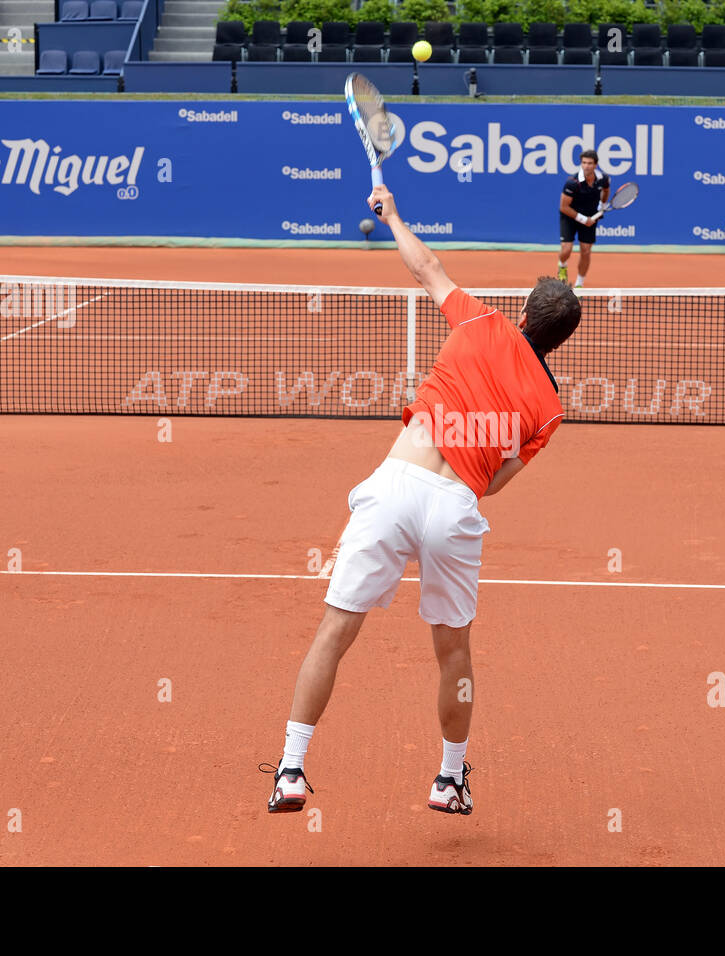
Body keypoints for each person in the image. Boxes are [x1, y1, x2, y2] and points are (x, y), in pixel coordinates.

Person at [261, 182, 582, 817]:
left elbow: (426, 265)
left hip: (393, 487)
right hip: (455, 507)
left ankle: (292, 770)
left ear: (521, 313)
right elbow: (491, 483)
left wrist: (393, 215)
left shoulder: (480, 318)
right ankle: (448, 780)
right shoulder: (549, 411)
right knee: (454, 650)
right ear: (558, 341)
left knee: (336, 629)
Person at [558, 149, 609, 289]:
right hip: (570, 216)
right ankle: (562, 265)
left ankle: (579, 284)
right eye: (584, 163)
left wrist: (602, 204)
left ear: (596, 165)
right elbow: (563, 207)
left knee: (586, 251)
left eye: (590, 163)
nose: (586, 166)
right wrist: (583, 219)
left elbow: (606, 190)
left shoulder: (603, 179)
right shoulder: (572, 182)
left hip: (591, 216)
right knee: (566, 250)